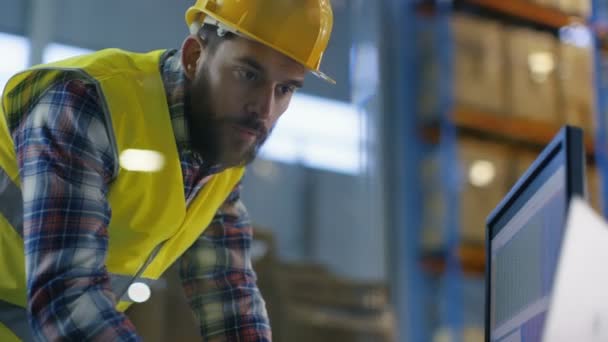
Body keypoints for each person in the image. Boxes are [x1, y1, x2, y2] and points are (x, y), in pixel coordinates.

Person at [0, 0, 334, 340]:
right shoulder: (85, 105)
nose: (264, 109)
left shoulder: (218, 153)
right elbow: (66, 299)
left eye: (285, 89)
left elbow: (229, 293)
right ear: (194, 57)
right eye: (247, 74)